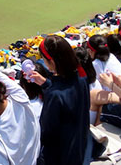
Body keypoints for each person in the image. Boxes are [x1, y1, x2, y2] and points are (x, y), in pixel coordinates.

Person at [31, 35, 90, 165]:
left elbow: (46, 132)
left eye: (44, 59)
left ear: (51, 62)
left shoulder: (54, 94)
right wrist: (46, 83)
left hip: (61, 155)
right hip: (80, 145)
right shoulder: (81, 76)